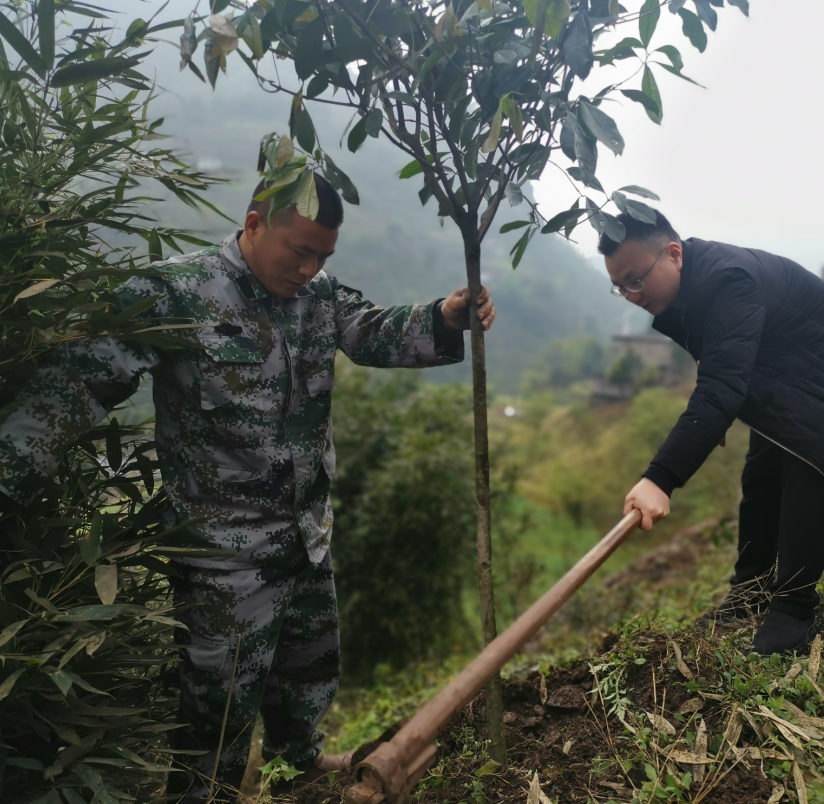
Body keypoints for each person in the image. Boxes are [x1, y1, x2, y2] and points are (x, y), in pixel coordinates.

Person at [0, 175, 496, 803]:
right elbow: (79, 381)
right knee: (217, 712)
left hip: (305, 535)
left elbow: (370, 331)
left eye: (323, 256)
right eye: (301, 251)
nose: (310, 268)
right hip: (223, 553)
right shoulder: (175, 292)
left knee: (308, 670)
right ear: (255, 225)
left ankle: (301, 766)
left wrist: (443, 318)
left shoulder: (318, 294)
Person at [599, 211, 824, 656]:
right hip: (792, 378)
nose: (632, 295)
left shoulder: (728, 280)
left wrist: (660, 478)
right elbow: (721, 359)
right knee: (761, 477)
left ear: (673, 254)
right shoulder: (692, 282)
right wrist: (719, 409)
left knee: (808, 463)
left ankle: (793, 610)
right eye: (620, 287)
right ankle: (751, 593)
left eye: (636, 280)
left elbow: (721, 387)